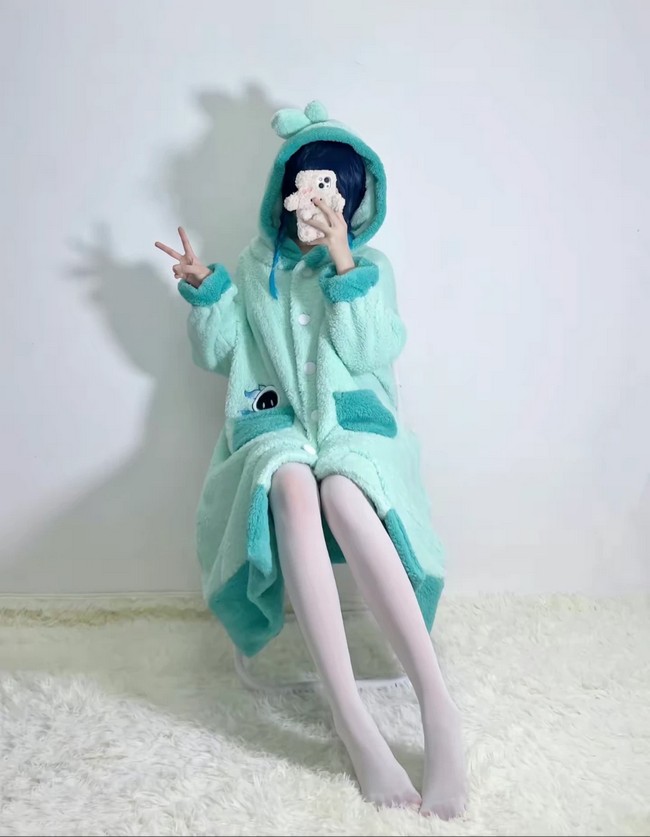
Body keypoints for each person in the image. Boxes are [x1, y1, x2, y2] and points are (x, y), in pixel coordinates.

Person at [155, 101, 467, 818]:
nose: (318, 199)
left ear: (353, 202)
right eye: (306, 183)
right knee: (294, 486)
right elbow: (221, 354)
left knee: (345, 495)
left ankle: (438, 705)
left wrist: (343, 264)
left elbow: (373, 350)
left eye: (334, 188)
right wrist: (208, 292)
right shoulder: (254, 267)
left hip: (356, 429)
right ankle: (352, 719)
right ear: (285, 189)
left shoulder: (371, 267)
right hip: (277, 427)